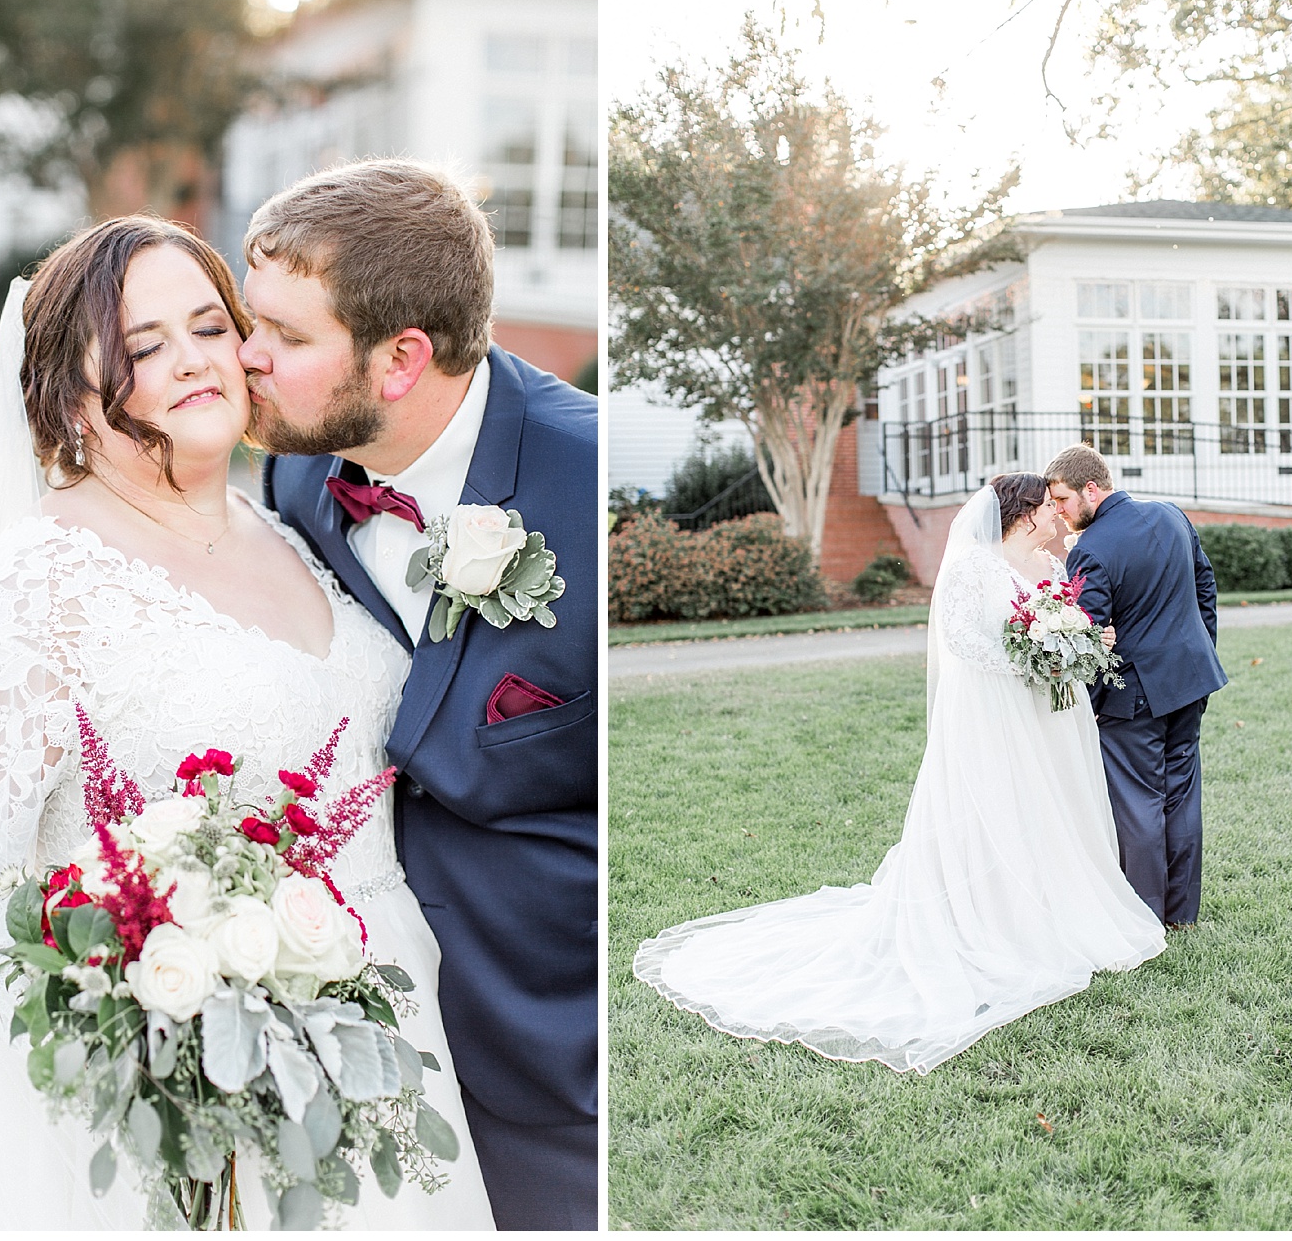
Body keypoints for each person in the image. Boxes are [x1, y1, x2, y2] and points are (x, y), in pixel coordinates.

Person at [0, 215, 494, 1228]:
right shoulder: (33, 583)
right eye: (141, 346)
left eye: (210, 326)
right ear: (65, 392)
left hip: (387, 1029)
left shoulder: (297, 524)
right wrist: (139, 1048)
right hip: (171, 1087)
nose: (192, 360)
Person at [243, 160, 598, 1230]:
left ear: (402, 359)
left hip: (554, 1044)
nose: (245, 357)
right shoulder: (299, 472)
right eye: (249, 321)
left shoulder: (587, 486)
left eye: (287, 337)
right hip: (339, 1013)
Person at [634, 474, 1165, 1074]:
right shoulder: (972, 568)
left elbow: (1065, 620)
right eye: (1046, 505)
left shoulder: (1048, 565)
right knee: (993, 802)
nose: (1055, 513)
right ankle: (991, 913)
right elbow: (964, 642)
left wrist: (1071, 644)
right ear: (1021, 514)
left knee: (1046, 805)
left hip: (1043, 713)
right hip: (993, 712)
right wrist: (1035, 654)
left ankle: (1051, 902)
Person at [1044, 445, 1228, 927]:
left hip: (1134, 696)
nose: (1058, 512)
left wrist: (1093, 698)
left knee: (1139, 801)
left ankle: (1144, 917)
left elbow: (1087, 633)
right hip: (1190, 680)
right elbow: (1205, 585)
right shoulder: (1171, 515)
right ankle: (1181, 914)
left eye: (1062, 500)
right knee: (1181, 793)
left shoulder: (1091, 549)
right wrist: (1199, 648)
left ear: (1091, 489)